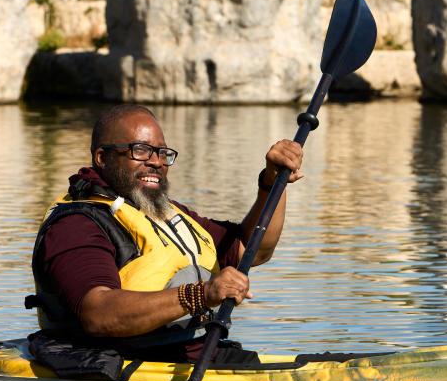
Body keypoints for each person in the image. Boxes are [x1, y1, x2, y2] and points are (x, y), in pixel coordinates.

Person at [27, 104, 303, 367]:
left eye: (162, 153)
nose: (157, 162)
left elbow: (252, 250)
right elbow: (98, 314)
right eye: (141, 150)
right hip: (120, 365)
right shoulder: (77, 224)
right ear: (102, 157)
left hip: (197, 357)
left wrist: (272, 183)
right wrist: (201, 295)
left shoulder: (167, 213)